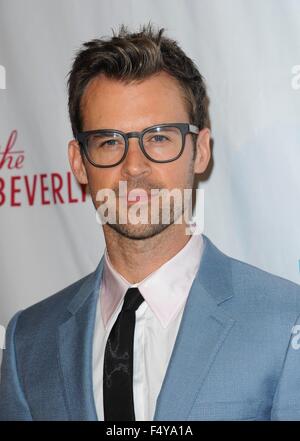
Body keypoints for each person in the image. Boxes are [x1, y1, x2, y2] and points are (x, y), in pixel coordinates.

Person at [1, 23, 300, 422]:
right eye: (109, 141)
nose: (134, 167)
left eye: (159, 137)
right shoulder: (28, 341)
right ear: (79, 162)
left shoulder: (285, 322)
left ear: (200, 151)